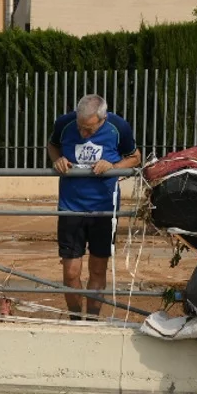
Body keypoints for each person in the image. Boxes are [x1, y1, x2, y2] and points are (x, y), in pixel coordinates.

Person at [48, 94, 140, 320]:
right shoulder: (64, 123)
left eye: (89, 130)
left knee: (98, 269)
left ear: (103, 119)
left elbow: (135, 157)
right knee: (71, 273)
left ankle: (92, 320)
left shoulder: (119, 127)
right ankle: (75, 319)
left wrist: (114, 165)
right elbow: (53, 145)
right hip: (70, 206)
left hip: (104, 209)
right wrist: (57, 159)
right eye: (80, 128)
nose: (83, 134)